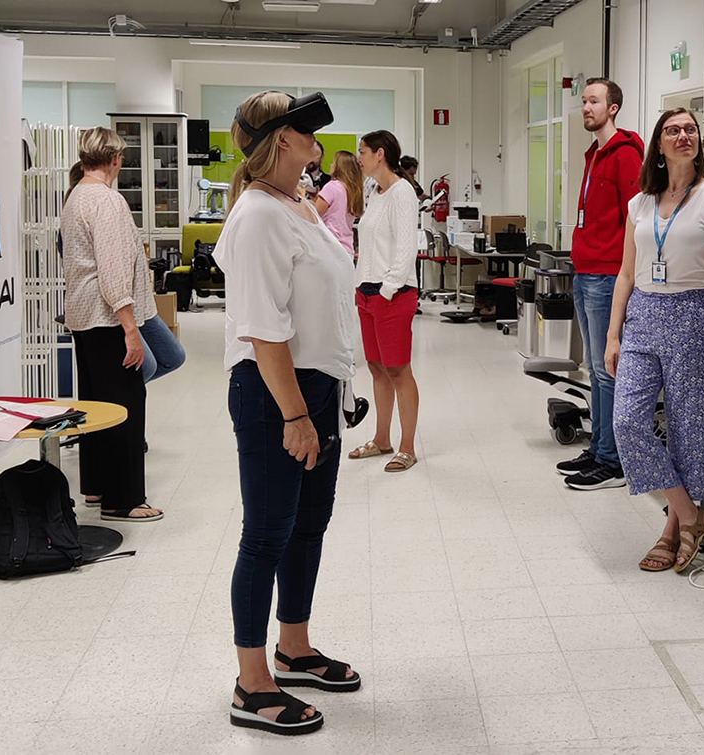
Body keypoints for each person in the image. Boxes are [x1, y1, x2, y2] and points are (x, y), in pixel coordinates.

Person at [214, 90, 360, 736]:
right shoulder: (256, 216)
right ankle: (251, 683)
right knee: (268, 532)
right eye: (305, 130)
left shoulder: (298, 202)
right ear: (280, 141)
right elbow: (262, 328)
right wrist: (296, 416)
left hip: (316, 388)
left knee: (308, 524)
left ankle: (293, 647)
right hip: (276, 393)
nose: (316, 140)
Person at [606, 108, 704, 573]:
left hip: (691, 314)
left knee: (688, 429)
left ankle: (673, 531)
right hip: (643, 315)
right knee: (627, 421)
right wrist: (613, 334)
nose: (683, 135)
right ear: (660, 145)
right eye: (673, 130)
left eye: (690, 129)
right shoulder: (640, 204)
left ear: (699, 141)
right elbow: (626, 273)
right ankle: (692, 514)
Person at [60, 127, 163, 523]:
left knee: (95, 406)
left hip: (82, 315)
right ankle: (123, 499)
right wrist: (130, 329)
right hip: (107, 318)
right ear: (117, 159)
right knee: (124, 405)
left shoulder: (76, 196)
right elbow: (114, 270)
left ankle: (97, 486)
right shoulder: (108, 201)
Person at [557, 77, 645, 492]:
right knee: (594, 368)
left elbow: (636, 217)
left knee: (608, 369)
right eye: (584, 101)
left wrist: (626, 271)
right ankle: (598, 447)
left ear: (613, 108)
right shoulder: (594, 154)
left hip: (609, 274)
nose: (586, 108)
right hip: (586, 270)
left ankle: (612, 461)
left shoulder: (625, 154)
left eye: (594, 101)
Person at [348, 130, 421, 473]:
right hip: (367, 291)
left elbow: (406, 249)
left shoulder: (402, 193)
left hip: (393, 293)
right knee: (377, 368)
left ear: (380, 154)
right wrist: (360, 287)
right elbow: (368, 244)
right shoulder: (373, 190)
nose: (358, 158)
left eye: (362, 152)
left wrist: (387, 289)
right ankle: (381, 439)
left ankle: (408, 447)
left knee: (398, 370)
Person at [315, 150, 365, 260]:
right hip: (347, 249)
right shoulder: (354, 191)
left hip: (330, 247)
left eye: (334, 162)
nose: (331, 165)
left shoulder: (331, 187)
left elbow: (314, 214)